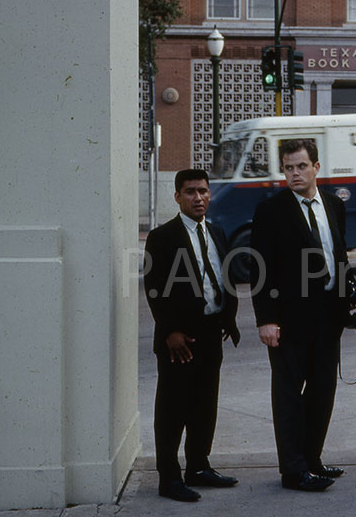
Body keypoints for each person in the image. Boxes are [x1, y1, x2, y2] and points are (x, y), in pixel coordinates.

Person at [250, 139, 356, 492]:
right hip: (288, 321)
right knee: (288, 395)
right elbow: (261, 269)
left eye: (301, 166)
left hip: (328, 317)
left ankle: (312, 459)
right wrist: (266, 319)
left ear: (316, 166)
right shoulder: (271, 210)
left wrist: (350, 290)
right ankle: (293, 470)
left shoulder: (332, 205)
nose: (295, 174)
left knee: (322, 391)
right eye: (288, 168)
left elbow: (337, 254)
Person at [143, 169, 241, 502]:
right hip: (179, 340)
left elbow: (223, 278)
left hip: (211, 334)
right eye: (189, 192)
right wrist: (170, 331)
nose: (197, 198)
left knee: (204, 406)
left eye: (202, 191)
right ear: (177, 196)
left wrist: (229, 318)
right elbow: (155, 288)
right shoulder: (162, 237)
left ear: (209, 194)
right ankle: (168, 478)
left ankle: (198, 466)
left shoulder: (217, 232)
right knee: (172, 410)